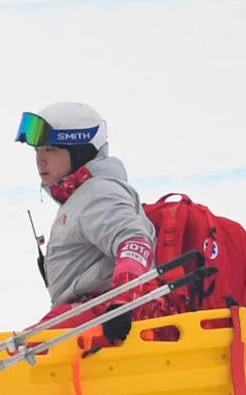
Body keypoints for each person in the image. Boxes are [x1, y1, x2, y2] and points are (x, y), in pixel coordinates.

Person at [14, 102, 159, 342]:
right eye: (37, 151)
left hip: (105, 319)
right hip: (90, 316)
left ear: (80, 151)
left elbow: (135, 242)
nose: (40, 160)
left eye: (51, 150)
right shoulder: (81, 197)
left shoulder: (98, 193)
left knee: (21, 354)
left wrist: (122, 303)